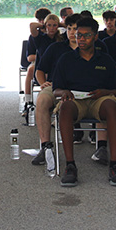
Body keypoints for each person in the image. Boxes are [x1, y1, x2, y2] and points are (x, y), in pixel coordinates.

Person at [53, 17, 116, 187]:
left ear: (95, 37)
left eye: (86, 36)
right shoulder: (66, 59)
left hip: (99, 99)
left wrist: (104, 92)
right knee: (65, 108)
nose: (81, 39)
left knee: (112, 106)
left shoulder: (105, 60)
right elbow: (56, 89)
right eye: (79, 35)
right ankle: (70, 165)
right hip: (75, 100)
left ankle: (115, 164)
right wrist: (64, 92)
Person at [32, 13, 80, 167]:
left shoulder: (92, 48)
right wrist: (43, 83)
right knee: (42, 100)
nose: (73, 32)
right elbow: (40, 70)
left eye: (76, 29)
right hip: (55, 85)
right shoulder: (56, 47)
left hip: (84, 87)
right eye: (70, 28)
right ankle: (46, 146)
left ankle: (102, 146)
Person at [22, 8, 51, 119]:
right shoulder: (34, 36)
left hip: (54, 64)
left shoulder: (57, 35)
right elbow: (29, 57)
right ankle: (28, 101)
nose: (42, 22)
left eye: (45, 20)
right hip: (38, 62)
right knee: (31, 69)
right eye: (40, 20)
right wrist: (45, 56)